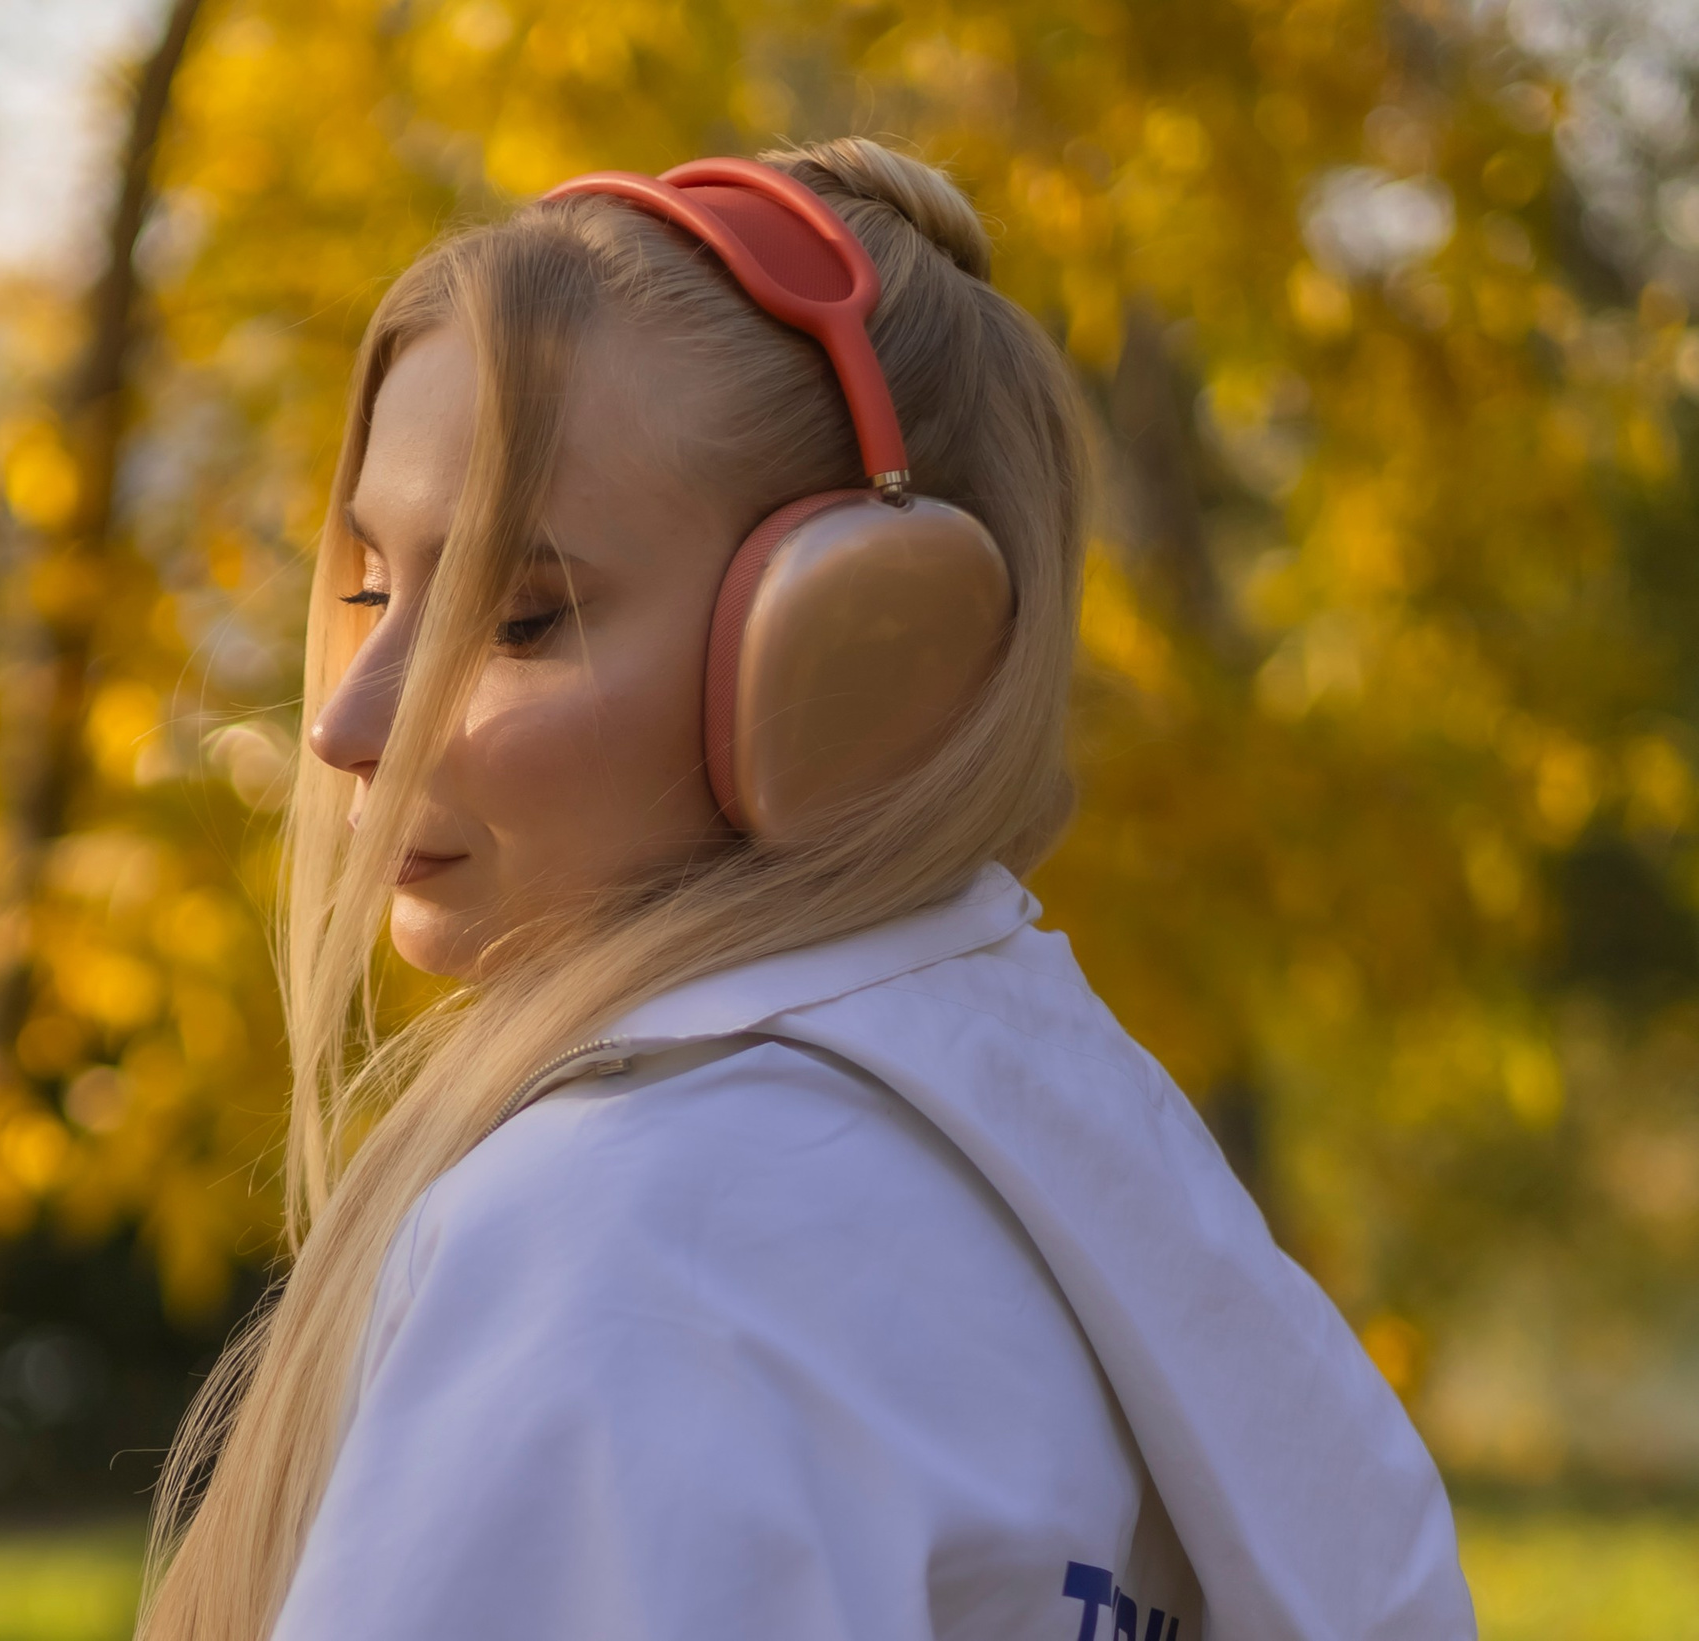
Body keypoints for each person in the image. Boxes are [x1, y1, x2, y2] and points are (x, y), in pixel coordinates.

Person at [137, 138, 1474, 1641]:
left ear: (854, 656)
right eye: (372, 590)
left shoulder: (640, 1237)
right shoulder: (1104, 1166)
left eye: (520, 617)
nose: (344, 722)